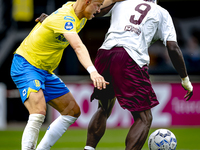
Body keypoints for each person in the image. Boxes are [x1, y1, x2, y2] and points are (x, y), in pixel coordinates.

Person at [83, 0, 193, 150]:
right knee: (144, 118)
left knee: (103, 108)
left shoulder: (121, 3)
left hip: (104, 54)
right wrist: (185, 79)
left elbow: (93, 11)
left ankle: (88, 148)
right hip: (129, 57)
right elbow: (172, 47)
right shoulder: (161, 12)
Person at [10, 0, 120, 149]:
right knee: (38, 112)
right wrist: (93, 72)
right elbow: (78, 47)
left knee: (71, 111)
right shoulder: (66, 18)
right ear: (87, 2)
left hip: (45, 71)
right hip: (26, 65)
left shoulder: (78, 11)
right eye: (98, 6)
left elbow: (107, 0)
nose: (100, 9)